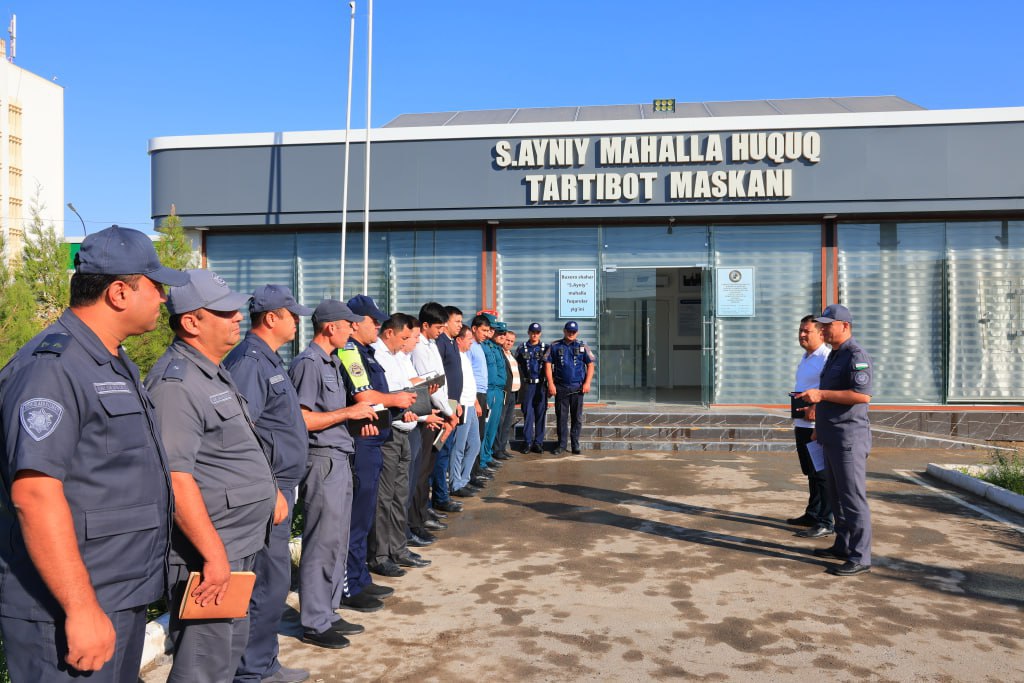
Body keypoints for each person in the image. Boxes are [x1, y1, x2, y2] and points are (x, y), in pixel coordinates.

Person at [0, 225, 186, 682]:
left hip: (115, 593)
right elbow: (34, 495)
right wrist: (80, 608)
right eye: (156, 287)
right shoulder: (52, 370)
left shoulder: (108, 361)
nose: (164, 299)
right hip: (67, 607)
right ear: (119, 292)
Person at [146, 270, 279, 683]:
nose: (237, 317)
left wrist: (270, 490)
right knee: (203, 664)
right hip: (210, 552)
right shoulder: (176, 384)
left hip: (235, 543)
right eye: (223, 312)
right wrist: (214, 555)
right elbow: (176, 478)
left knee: (225, 655)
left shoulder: (210, 371)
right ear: (191, 322)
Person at [224, 285, 313, 682]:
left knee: (273, 581)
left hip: (279, 486)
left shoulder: (269, 358)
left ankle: (264, 661)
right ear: (272, 318)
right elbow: (242, 434)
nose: (297, 322)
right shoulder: (249, 362)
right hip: (268, 490)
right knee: (267, 581)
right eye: (292, 315)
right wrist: (269, 487)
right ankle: (252, 670)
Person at [288, 299, 380, 647]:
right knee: (321, 542)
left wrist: (354, 420)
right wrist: (348, 414)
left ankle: (327, 611)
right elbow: (302, 419)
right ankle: (314, 621)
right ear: (330, 327)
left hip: (339, 456)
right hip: (322, 460)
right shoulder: (309, 364)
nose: (352, 330)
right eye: (347, 325)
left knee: (336, 541)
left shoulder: (331, 362)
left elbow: (331, 414)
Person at [339, 295, 417, 605]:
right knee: (357, 518)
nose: (378, 326)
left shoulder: (365, 352)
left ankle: (360, 577)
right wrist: (395, 399)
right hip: (362, 442)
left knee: (366, 516)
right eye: (373, 321)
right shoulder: (349, 351)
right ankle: (350, 585)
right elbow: (364, 395)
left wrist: (394, 406)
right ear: (355, 323)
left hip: (376, 438)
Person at [795, 304, 873, 577]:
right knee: (836, 496)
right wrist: (819, 426)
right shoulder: (835, 355)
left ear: (845, 326)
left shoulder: (855, 355)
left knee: (852, 498)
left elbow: (862, 395)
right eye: (823, 325)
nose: (824, 329)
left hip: (848, 438)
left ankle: (860, 556)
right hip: (830, 435)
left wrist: (821, 395)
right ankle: (843, 545)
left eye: (829, 325)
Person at [369, 313, 434, 576]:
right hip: (390, 433)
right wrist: (400, 409)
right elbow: (380, 397)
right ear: (389, 333)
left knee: (400, 495)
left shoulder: (395, 357)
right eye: (404, 337)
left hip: (405, 431)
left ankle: (398, 548)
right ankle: (380, 555)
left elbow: (404, 390)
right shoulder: (377, 356)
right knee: (384, 498)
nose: (407, 342)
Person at [787, 315, 833, 541]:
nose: (802, 335)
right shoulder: (806, 357)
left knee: (822, 474)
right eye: (800, 331)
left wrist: (816, 407)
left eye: (807, 331)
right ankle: (813, 514)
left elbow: (829, 389)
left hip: (817, 425)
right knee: (810, 473)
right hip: (802, 423)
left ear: (821, 333)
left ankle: (826, 521)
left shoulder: (826, 357)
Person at [545, 321, 595, 455]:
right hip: (561, 388)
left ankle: (575, 444)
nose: (571, 333)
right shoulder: (555, 346)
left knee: (576, 418)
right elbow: (548, 365)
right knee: (561, 418)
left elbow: (590, 365)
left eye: (574, 332)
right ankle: (561, 445)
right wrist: (551, 384)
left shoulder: (582, 346)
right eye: (569, 331)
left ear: (577, 332)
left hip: (577, 388)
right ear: (564, 331)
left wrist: (587, 383)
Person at [450, 325, 483, 497]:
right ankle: (455, 484)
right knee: (459, 447)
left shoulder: (465, 356)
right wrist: (456, 405)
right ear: (459, 340)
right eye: (469, 339)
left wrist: (475, 402)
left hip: (470, 404)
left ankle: (464, 479)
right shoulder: (455, 357)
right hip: (461, 406)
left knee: (475, 444)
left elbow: (470, 382)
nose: (471, 342)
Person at [515, 322, 549, 453]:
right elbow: (516, 367)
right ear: (528, 333)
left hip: (541, 386)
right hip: (527, 386)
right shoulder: (521, 348)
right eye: (532, 332)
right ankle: (527, 442)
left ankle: (538, 443)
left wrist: (551, 385)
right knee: (528, 413)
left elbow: (551, 367)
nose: (535, 335)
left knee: (540, 414)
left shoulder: (546, 348)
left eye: (537, 333)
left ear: (540, 334)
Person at [480, 322, 509, 469]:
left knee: (493, 427)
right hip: (490, 390)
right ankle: (481, 461)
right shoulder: (485, 346)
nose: (502, 336)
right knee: (486, 428)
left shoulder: (497, 348)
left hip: (498, 390)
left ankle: (487, 456)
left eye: (504, 334)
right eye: (499, 333)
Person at [494, 329, 521, 459]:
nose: (509, 343)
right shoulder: (499, 354)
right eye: (507, 340)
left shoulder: (511, 354)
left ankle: (502, 448)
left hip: (513, 393)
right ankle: (496, 450)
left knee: (507, 423)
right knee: (500, 421)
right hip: (504, 392)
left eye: (512, 341)